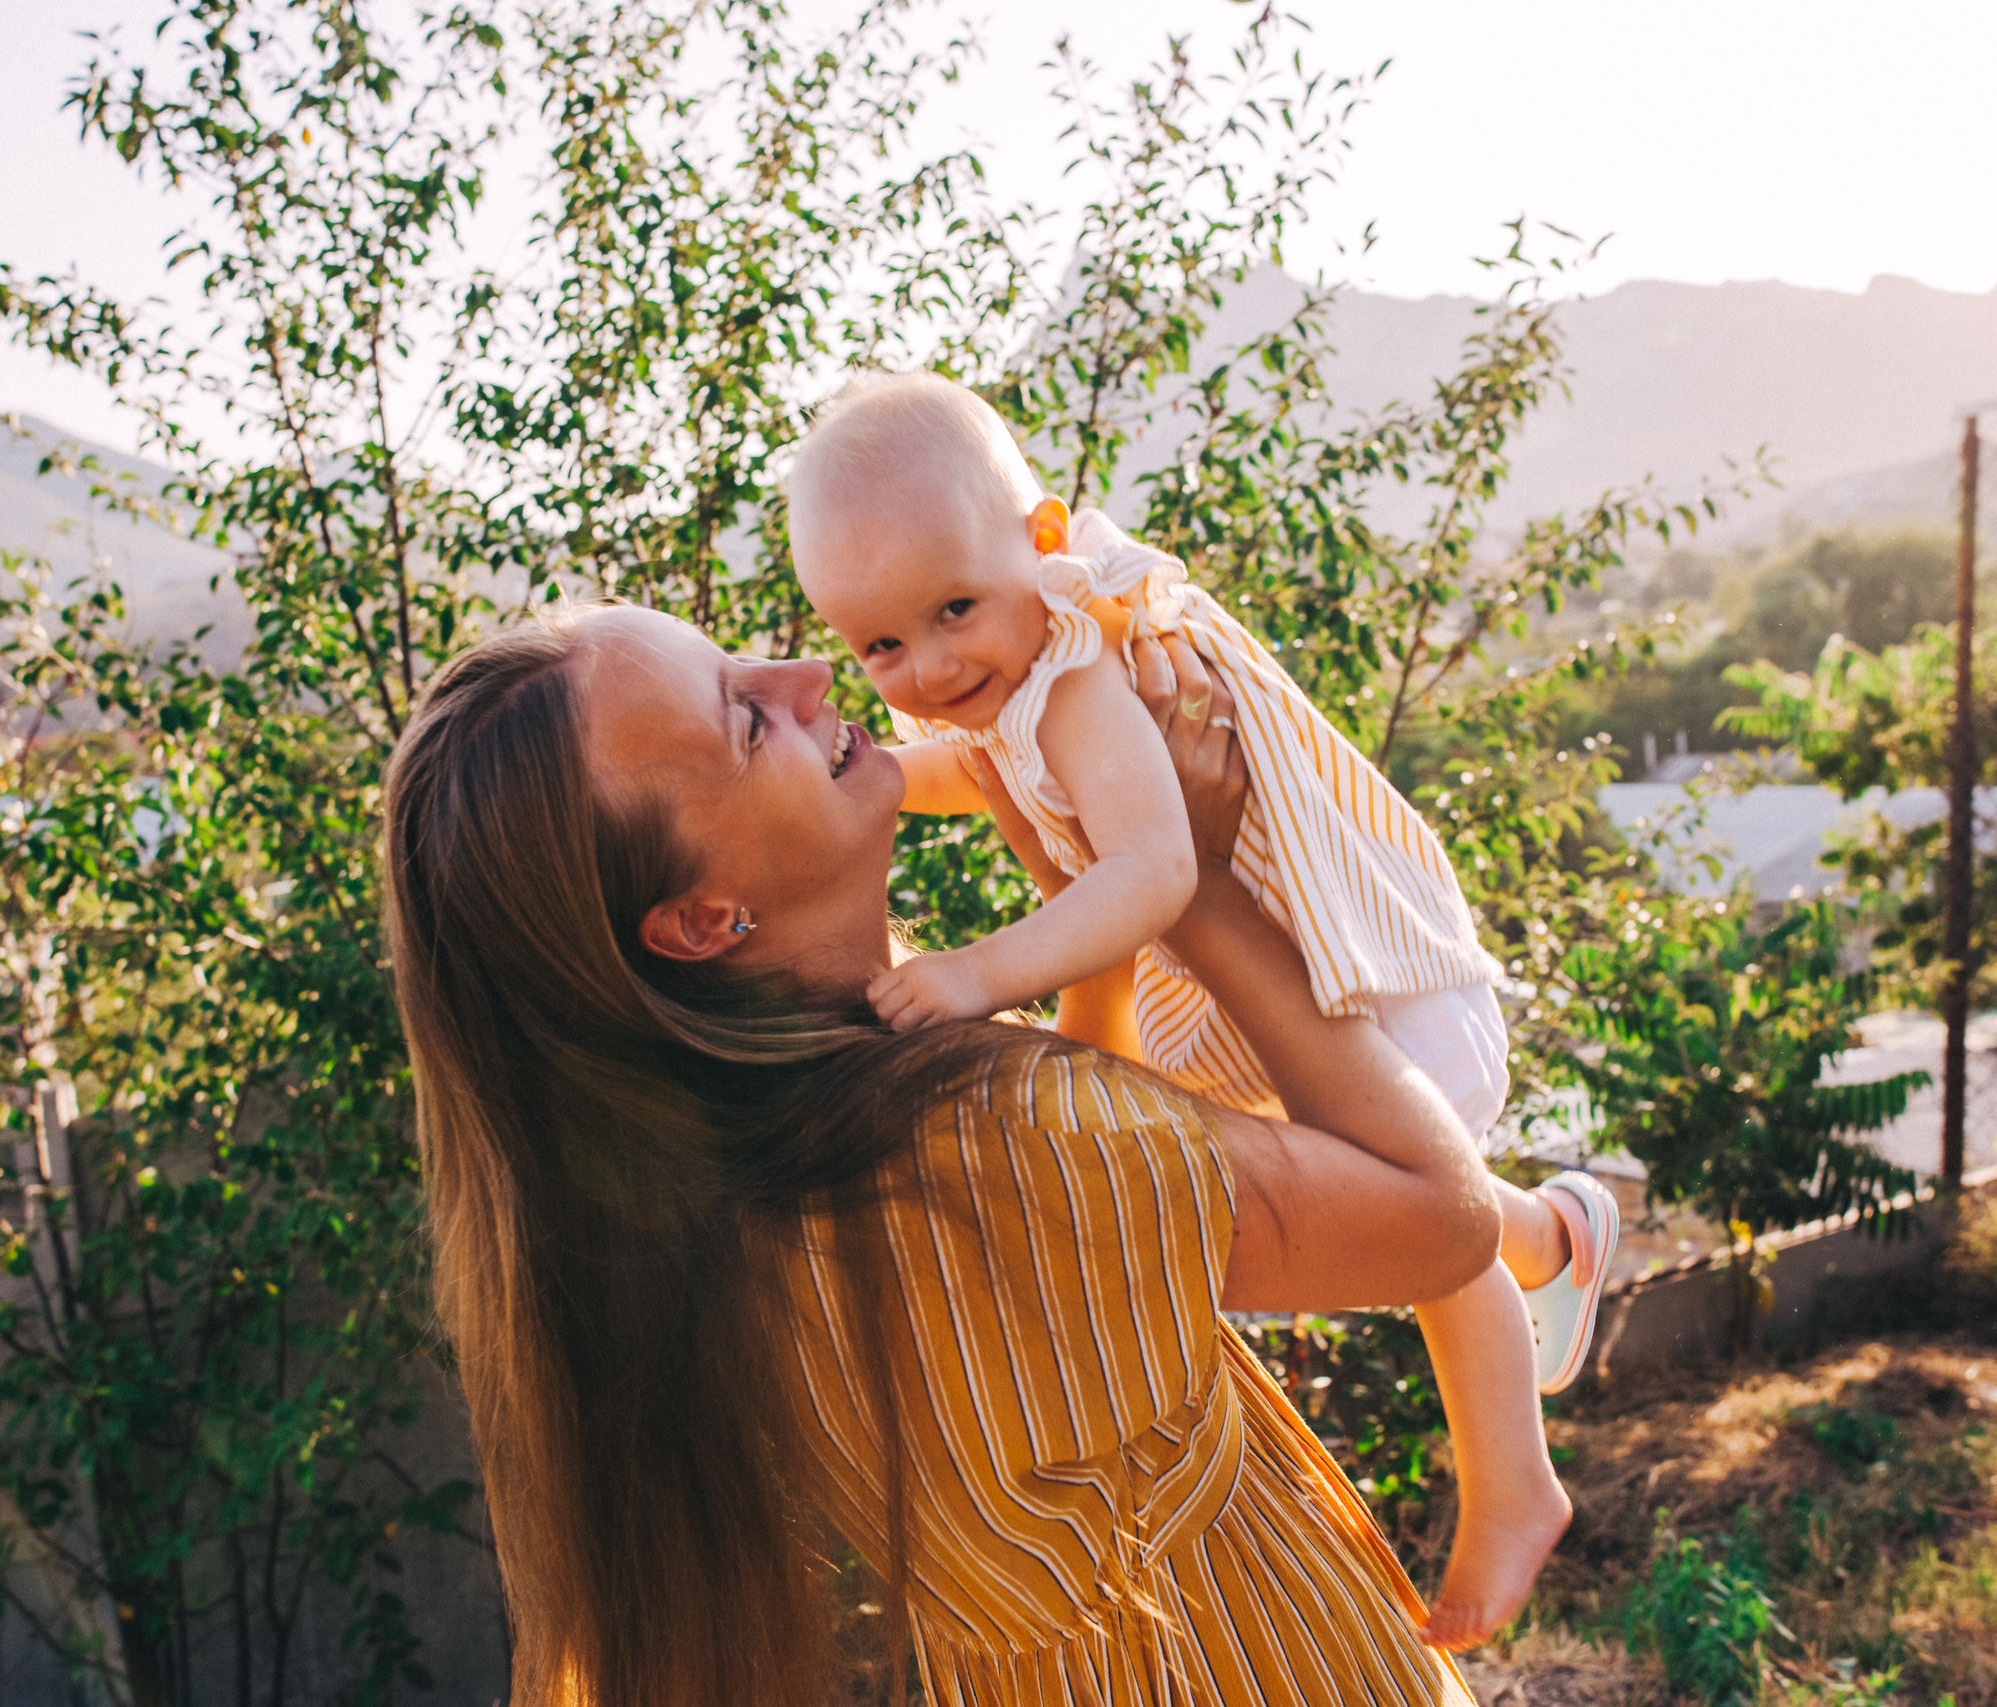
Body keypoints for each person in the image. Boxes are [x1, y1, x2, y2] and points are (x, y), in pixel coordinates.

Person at [384, 601, 1513, 1707]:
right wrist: (1201, 889)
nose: (805, 675)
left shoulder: (714, 1179)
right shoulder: (987, 1128)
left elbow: (1070, 1298)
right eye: (743, 717)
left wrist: (1097, 960)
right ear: (695, 917)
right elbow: (1438, 1220)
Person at [785, 373, 1618, 1641]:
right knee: (1400, 1199)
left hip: (1353, 965)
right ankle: (1556, 1235)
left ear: (1046, 542)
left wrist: (976, 971)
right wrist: (876, 778)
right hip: (1278, 981)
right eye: (882, 646)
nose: (931, 665)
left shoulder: (1074, 676)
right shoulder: (1018, 671)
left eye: (951, 609)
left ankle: (1514, 1482)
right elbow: (975, 762)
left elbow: (1153, 871)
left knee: (1425, 1229)